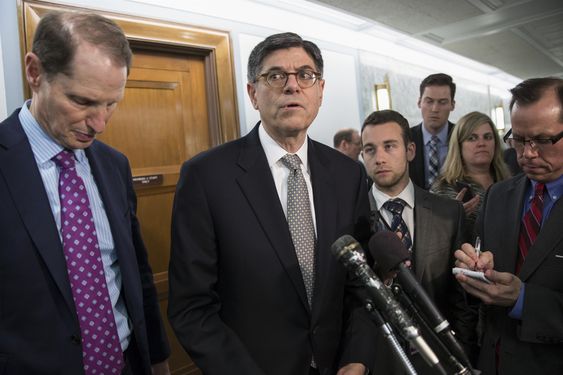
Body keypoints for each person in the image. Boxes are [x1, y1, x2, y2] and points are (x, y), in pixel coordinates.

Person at [168, 32, 376, 375]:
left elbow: (360, 284)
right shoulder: (206, 177)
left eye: (305, 76)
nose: (292, 86)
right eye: (276, 76)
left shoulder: (347, 175)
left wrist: (357, 357)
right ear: (253, 93)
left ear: (320, 91)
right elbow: (192, 307)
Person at [0, 11, 170, 374]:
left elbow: (135, 274)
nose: (100, 124)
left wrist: (157, 360)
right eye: (82, 101)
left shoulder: (114, 165)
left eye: (111, 103)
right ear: (35, 72)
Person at [454, 77, 563, 374]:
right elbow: (480, 268)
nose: (527, 153)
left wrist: (523, 300)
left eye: (542, 140)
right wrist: (474, 267)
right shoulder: (498, 196)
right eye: (518, 139)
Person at [361, 110, 476, 374]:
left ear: (410, 150)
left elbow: (462, 298)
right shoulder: (349, 218)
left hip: (440, 358)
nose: (379, 158)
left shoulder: (448, 213)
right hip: (377, 360)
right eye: (370, 149)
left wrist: (463, 355)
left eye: (389, 146)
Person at [431, 111, 511, 242]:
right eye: (472, 138)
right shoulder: (442, 188)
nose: (481, 143)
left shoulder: (510, 184)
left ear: (495, 143)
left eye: (487, 137)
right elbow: (431, 238)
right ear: (459, 146)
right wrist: (454, 220)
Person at [409, 73, 456, 189]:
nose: (435, 109)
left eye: (442, 102)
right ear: (419, 102)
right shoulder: (406, 138)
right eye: (429, 101)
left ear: (452, 105)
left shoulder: (462, 137)